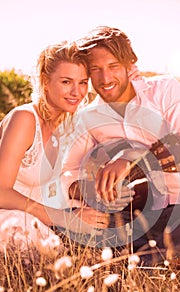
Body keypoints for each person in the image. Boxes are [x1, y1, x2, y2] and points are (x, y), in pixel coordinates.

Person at [63, 26, 180, 265]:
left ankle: (147, 260)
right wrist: (90, 190)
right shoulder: (88, 118)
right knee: (73, 221)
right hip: (140, 214)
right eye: (95, 70)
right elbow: (67, 175)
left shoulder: (165, 90)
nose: (105, 78)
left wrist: (132, 159)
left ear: (129, 64)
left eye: (113, 66)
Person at [0, 40, 113, 253]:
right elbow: (1, 192)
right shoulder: (24, 119)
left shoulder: (67, 124)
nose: (76, 92)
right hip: (9, 216)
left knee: (102, 224)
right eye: (66, 82)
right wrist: (65, 219)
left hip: (39, 215)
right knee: (21, 230)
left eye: (82, 82)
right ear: (45, 81)